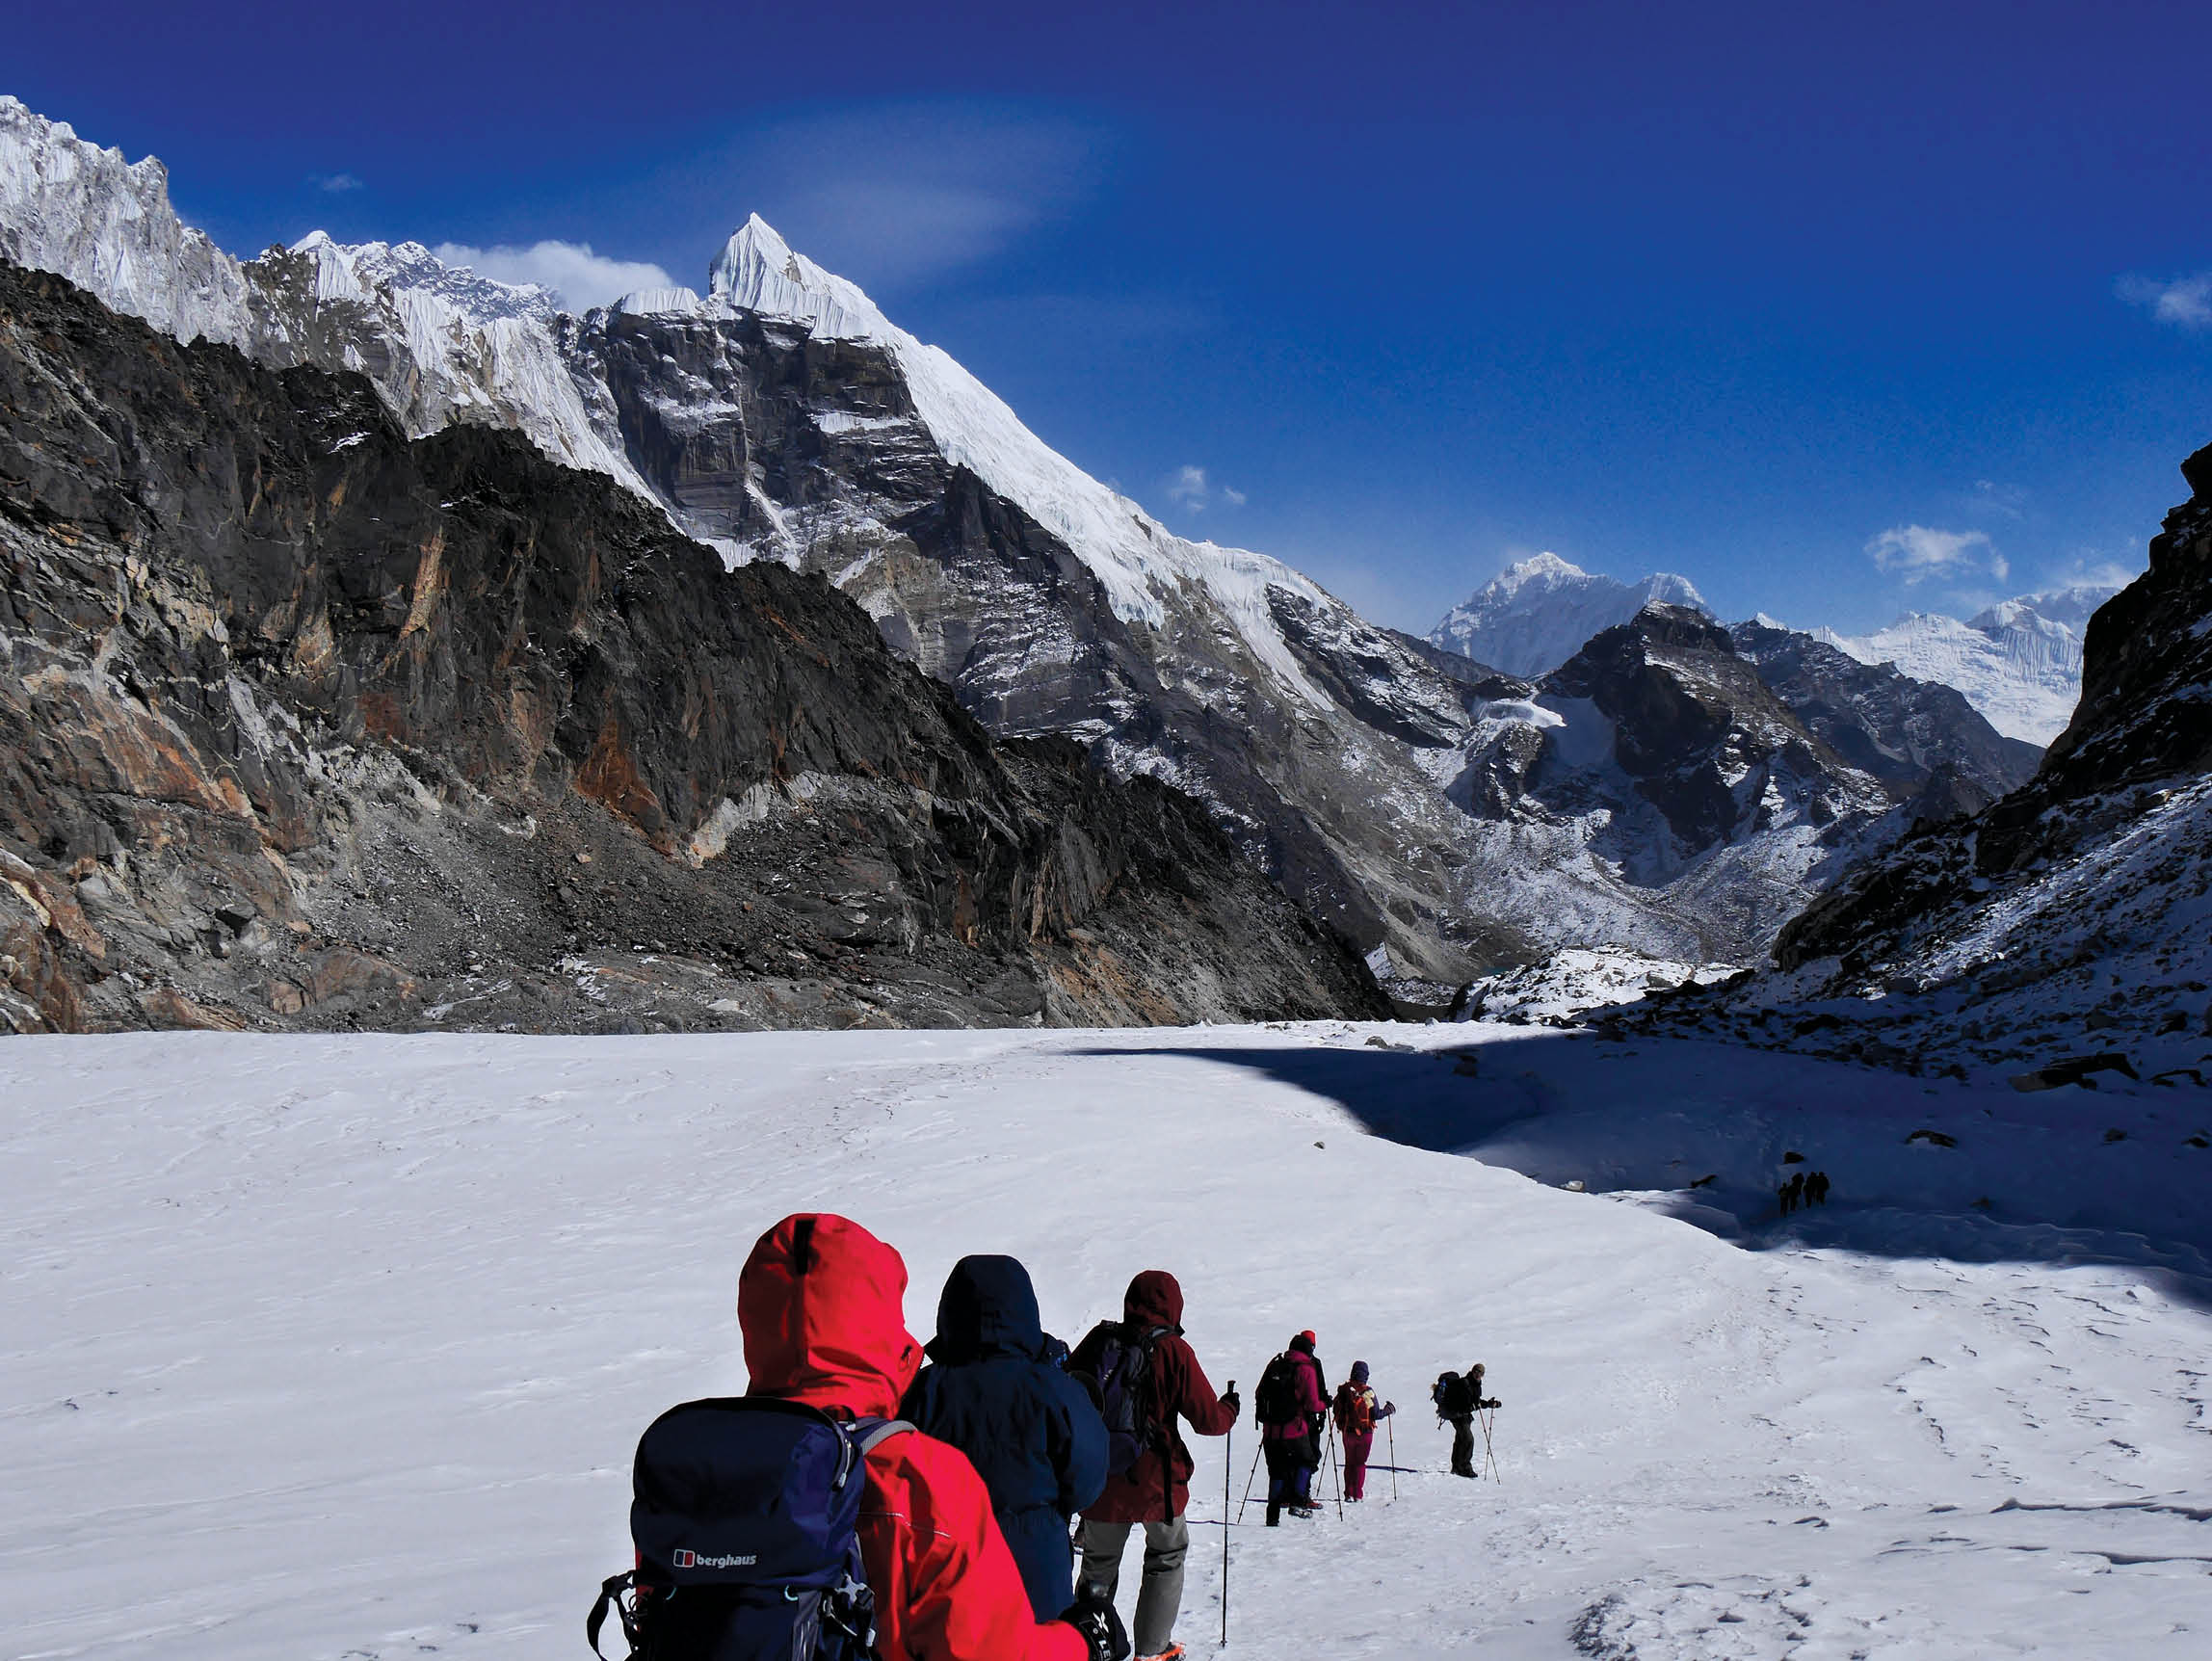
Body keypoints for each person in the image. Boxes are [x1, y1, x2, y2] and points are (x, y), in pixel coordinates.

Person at [737, 1214, 1127, 1661]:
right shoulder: (931, 1471)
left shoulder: (707, 1469)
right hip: (1035, 1574)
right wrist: (1084, 1643)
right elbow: (1089, 1479)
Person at [905, 1254, 1110, 1621]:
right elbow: (1089, 1478)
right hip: (1036, 1574)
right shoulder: (1053, 1389)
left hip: (942, 1570)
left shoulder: (923, 1390)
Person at [1070, 1271, 1239, 1661]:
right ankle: (1152, 1649)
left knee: (1098, 1564)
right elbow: (1208, 1421)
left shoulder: (1100, 1340)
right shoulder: (1174, 1351)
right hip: (1155, 1482)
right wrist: (1230, 1409)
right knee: (1166, 1555)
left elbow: (1069, 1391)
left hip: (1104, 1477)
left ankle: (1088, 1646)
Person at [1258, 1331, 1329, 1525]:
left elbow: (1259, 1393)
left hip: (1270, 1431)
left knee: (1277, 1470)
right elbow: (1312, 1404)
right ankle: (1298, 1502)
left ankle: (1272, 1516)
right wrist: (1325, 1405)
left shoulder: (1275, 1364)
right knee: (1307, 1461)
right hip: (1294, 1429)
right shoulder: (1306, 1368)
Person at [1330, 1361, 1395, 1501]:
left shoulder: (1345, 1390)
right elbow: (1376, 1414)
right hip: (1365, 1433)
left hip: (1348, 1432)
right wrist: (1388, 1410)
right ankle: (1357, 1495)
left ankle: (1348, 1493)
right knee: (1360, 1463)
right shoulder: (1367, 1391)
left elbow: (1336, 1409)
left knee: (1349, 1462)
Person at [1435, 1361, 1489, 1478]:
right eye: (1477, 1371)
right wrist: (1471, 1407)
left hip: (1464, 1415)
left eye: (1481, 1373)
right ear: (1473, 1371)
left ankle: (1456, 1467)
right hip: (1457, 1415)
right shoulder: (1464, 1383)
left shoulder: (1476, 1384)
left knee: (1461, 1439)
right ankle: (1465, 1467)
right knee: (1468, 1439)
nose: (1478, 1374)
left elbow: (1476, 1401)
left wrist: (1489, 1404)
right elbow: (1461, 1402)